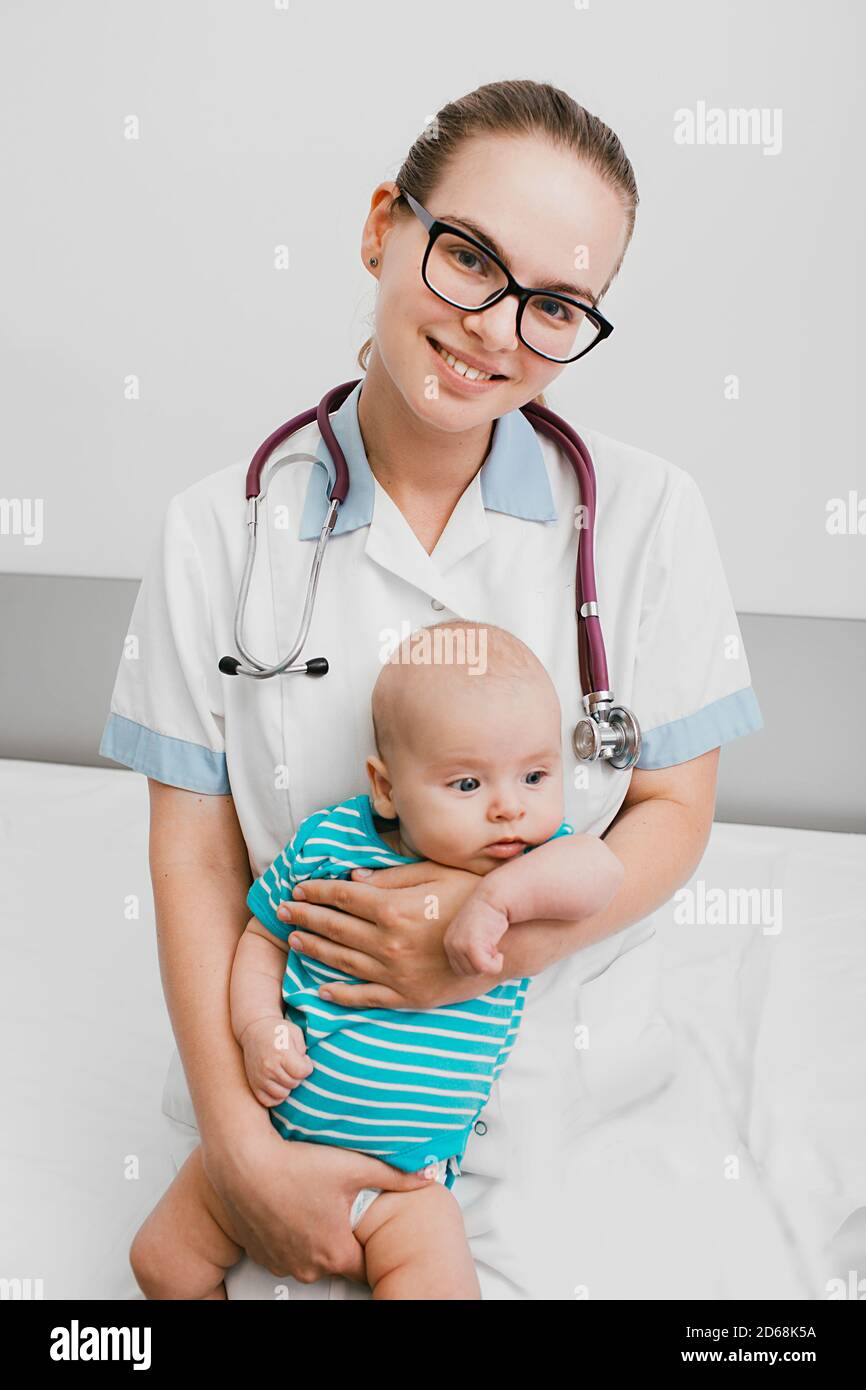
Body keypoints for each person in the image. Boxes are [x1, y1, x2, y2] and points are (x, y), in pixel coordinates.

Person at [99, 77, 763, 1300]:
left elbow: (671, 809)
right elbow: (194, 860)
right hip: (298, 1091)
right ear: (379, 228)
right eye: (468, 259)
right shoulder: (217, 532)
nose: (497, 330)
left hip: (574, 1084)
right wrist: (242, 1155)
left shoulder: (649, 519)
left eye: (555, 304)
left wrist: (479, 953)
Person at [127, 620, 624, 1299]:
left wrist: (495, 902)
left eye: (536, 775)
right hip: (273, 1144)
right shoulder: (330, 842)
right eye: (468, 785)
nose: (511, 807)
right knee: (160, 1263)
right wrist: (256, 1029)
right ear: (386, 789)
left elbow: (603, 875)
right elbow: (264, 938)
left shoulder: (538, 860)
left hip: (402, 1189)